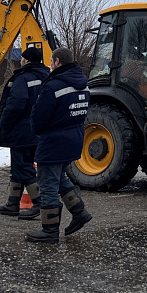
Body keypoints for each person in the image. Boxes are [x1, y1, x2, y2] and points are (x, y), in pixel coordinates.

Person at [26, 47, 92, 244]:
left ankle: (50, 230)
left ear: (57, 62)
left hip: (53, 142)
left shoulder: (53, 86)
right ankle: (79, 212)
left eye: (51, 61)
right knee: (59, 177)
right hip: (74, 139)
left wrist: (37, 131)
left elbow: (39, 117)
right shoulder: (83, 84)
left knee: (47, 184)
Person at [0, 46, 50, 220]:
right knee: (19, 167)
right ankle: (12, 203)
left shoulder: (22, 78)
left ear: (26, 61)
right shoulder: (47, 77)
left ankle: (39, 203)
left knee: (22, 167)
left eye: (22, 58)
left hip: (21, 131)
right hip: (38, 130)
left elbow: (15, 104)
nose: (20, 61)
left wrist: (4, 126)